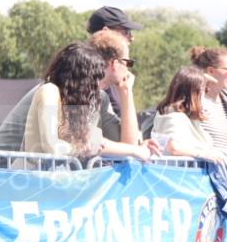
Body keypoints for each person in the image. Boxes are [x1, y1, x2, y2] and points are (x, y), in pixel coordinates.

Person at [21, 42, 156, 162]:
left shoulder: (77, 104)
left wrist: (136, 149)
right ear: (80, 77)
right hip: (33, 182)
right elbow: (52, 147)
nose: (97, 85)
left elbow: (99, 144)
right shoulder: (49, 91)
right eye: (94, 78)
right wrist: (86, 148)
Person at [151, 66, 221, 162]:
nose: (205, 95)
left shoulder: (175, 115)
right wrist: (203, 154)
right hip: (178, 174)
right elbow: (174, 148)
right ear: (194, 93)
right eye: (205, 90)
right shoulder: (175, 117)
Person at [188, 46, 227, 155]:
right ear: (210, 71)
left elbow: (226, 148)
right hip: (196, 170)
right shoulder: (191, 97)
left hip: (223, 170)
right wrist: (197, 83)